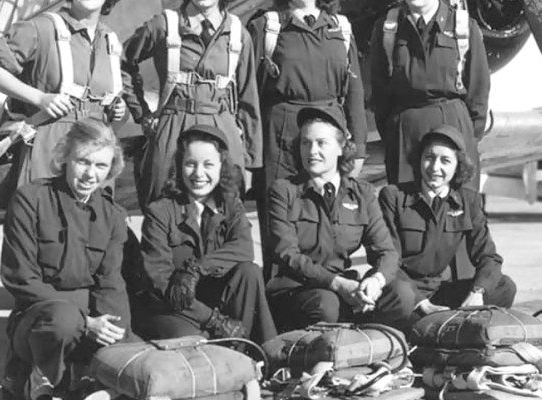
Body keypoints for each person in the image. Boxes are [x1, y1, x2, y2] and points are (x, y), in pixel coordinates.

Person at [0, 119, 132, 400]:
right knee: (64, 319)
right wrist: (87, 323)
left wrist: (116, 331)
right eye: (83, 162)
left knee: (130, 356)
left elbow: (111, 282)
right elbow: (20, 277)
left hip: (88, 319)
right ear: (65, 158)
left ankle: (83, 378)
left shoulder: (113, 215)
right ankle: (37, 378)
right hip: (40, 318)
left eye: (101, 166)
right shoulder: (30, 200)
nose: (90, 175)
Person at [246, 0, 368, 278]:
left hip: (329, 130)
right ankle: (282, 300)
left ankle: (333, 292)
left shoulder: (341, 27)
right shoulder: (266, 27)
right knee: (282, 220)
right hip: (281, 136)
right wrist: (249, 152)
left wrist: (358, 147)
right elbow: (247, 93)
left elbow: (354, 89)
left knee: (328, 218)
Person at [266, 106, 413, 330]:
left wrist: (375, 282)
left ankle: (366, 345)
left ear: (341, 147)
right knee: (327, 305)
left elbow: (387, 252)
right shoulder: (284, 191)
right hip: (300, 289)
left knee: (401, 295)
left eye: (321, 143)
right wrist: (336, 284)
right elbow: (287, 254)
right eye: (306, 143)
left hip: (346, 288)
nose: (312, 151)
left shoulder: (362, 193)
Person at [131, 125, 277, 344]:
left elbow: (244, 248)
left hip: (215, 300)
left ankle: (249, 355)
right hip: (175, 307)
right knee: (194, 341)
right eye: (190, 164)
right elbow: (160, 282)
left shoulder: (231, 206)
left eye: (208, 164)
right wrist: (214, 321)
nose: (199, 174)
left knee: (250, 272)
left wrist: (196, 268)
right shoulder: (160, 211)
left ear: (221, 167)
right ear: (179, 166)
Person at [121, 0, 262, 208]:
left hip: (221, 126)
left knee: (226, 208)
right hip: (173, 126)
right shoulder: (164, 26)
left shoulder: (238, 34)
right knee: (162, 203)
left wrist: (249, 161)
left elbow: (248, 98)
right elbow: (121, 63)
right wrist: (142, 112)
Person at [0, 0, 126, 188]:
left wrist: (119, 108)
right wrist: (39, 98)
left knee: (95, 214)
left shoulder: (110, 41)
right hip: (50, 147)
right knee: (42, 211)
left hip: (97, 153)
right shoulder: (40, 28)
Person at [378, 125, 515, 322]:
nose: (435, 168)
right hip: (403, 289)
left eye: (445, 160)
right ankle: (439, 320)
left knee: (504, 287)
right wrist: (420, 302)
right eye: (429, 158)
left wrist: (477, 292)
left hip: (439, 290)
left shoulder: (468, 201)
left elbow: (489, 257)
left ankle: (447, 322)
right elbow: (386, 258)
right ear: (419, 160)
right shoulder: (393, 197)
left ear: (458, 166)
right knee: (401, 294)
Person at [370, 0, 490, 189]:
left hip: (453, 126)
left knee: (457, 209)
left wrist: (465, 138)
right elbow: (379, 89)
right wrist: (395, 134)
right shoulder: (387, 28)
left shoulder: (463, 26)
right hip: (405, 131)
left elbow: (479, 88)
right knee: (406, 209)